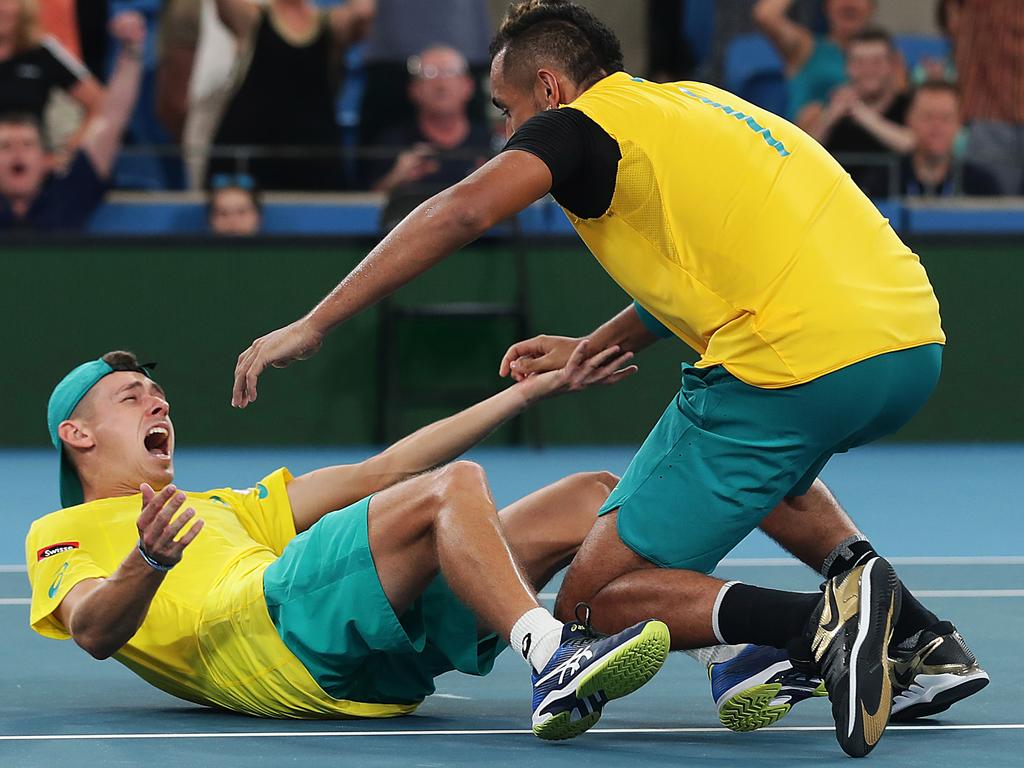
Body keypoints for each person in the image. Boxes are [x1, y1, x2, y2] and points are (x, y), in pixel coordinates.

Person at [230, 1, 990, 756]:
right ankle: (924, 640)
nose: (506, 132)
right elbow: (718, 256)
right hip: (908, 343)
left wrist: (316, 322)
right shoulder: (691, 103)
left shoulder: (574, 129)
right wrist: (597, 341)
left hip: (794, 362)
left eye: (507, 109)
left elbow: (461, 211)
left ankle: (830, 620)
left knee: (593, 600)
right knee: (765, 472)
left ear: (551, 89)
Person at [29, 346, 669, 740]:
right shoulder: (60, 532)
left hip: (377, 684)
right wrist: (148, 561)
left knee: (590, 496)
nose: (158, 406)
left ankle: (713, 645)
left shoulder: (221, 507)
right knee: (450, 489)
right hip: (266, 632)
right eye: (132, 397)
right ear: (78, 434)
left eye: (161, 397)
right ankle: (551, 653)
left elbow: (381, 473)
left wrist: (528, 391)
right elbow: (92, 630)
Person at [0, 12, 145, 231]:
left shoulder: (68, 192)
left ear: (44, 158)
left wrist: (131, 51)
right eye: (6, 146)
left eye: (28, 144)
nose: (18, 153)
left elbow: (112, 120)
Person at [206, 0, 373, 191]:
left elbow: (363, 12)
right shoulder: (254, 17)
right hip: (255, 156)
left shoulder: (329, 24)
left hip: (314, 159)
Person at [365, 45, 492, 198]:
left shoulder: (490, 144)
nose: (441, 84)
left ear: (468, 86)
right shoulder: (392, 144)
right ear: (414, 90)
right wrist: (396, 179)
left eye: (450, 72)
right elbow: (364, 207)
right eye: (430, 74)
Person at [809, 27, 914, 199]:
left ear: (891, 65)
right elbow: (806, 151)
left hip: (897, 205)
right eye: (859, 62)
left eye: (877, 62)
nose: (868, 70)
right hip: (841, 203)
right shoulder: (833, 109)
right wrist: (830, 117)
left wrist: (862, 114)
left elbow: (913, 145)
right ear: (847, 67)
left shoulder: (908, 105)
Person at [0, 0, 105, 153]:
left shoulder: (43, 51)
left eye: (9, 1)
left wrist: (68, 155)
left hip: (29, 166)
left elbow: (100, 103)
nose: (1, 8)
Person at [754, 0, 874, 128]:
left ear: (871, 7)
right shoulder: (806, 47)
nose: (849, 4)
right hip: (809, 140)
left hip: (871, 141)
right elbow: (767, 15)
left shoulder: (888, 57)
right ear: (827, 6)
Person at [954, 0, 1024, 195]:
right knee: (989, 213)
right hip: (990, 117)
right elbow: (963, 39)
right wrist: (962, 104)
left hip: (988, 119)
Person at [901, 81, 999, 198]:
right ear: (909, 120)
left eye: (946, 118)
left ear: (959, 123)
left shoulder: (982, 186)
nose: (937, 126)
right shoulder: (884, 180)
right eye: (927, 117)